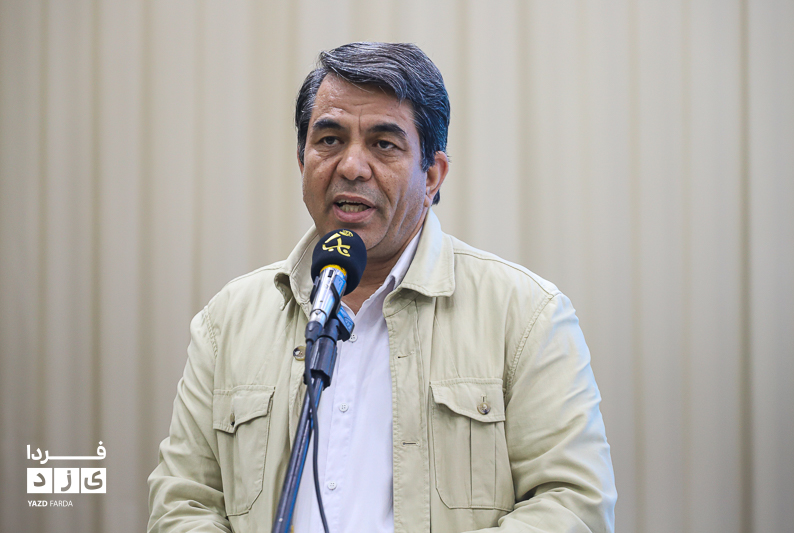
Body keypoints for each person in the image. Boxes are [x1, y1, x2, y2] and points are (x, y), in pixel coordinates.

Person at [148, 42, 616, 533]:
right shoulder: (228, 321)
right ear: (302, 162)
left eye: (384, 144)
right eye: (330, 139)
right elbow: (182, 504)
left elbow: (573, 505)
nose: (351, 166)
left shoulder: (526, 316)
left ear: (432, 175)